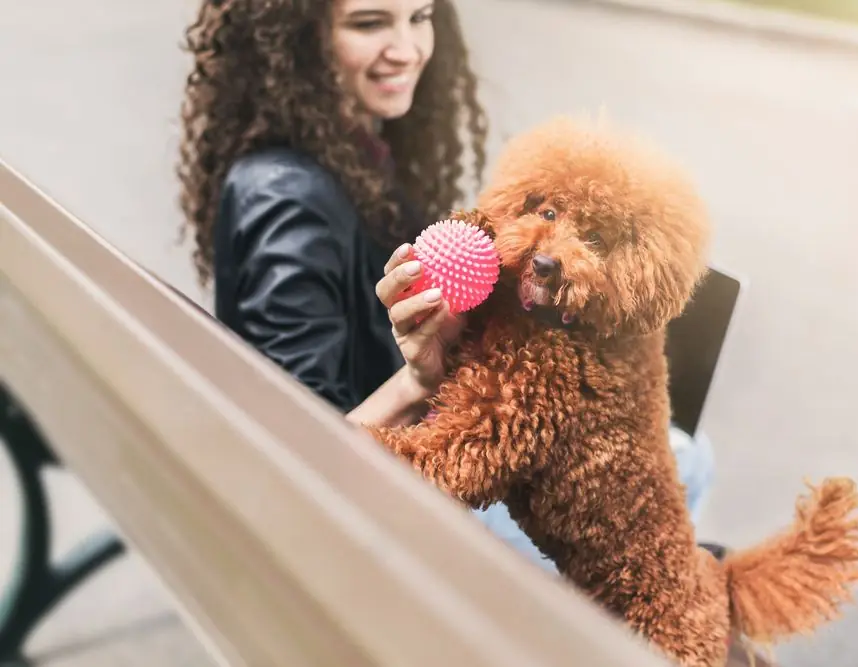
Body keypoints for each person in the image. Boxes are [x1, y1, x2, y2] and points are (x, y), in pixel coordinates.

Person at [176, 0, 715, 572]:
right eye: (368, 23)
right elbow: (295, 461)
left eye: (420, 16)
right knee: (687, 456)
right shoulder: (285, 200)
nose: (407, 49)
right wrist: (416, 381)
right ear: (295, 37)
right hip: (366, 519)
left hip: (410, 459)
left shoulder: (353, 150)